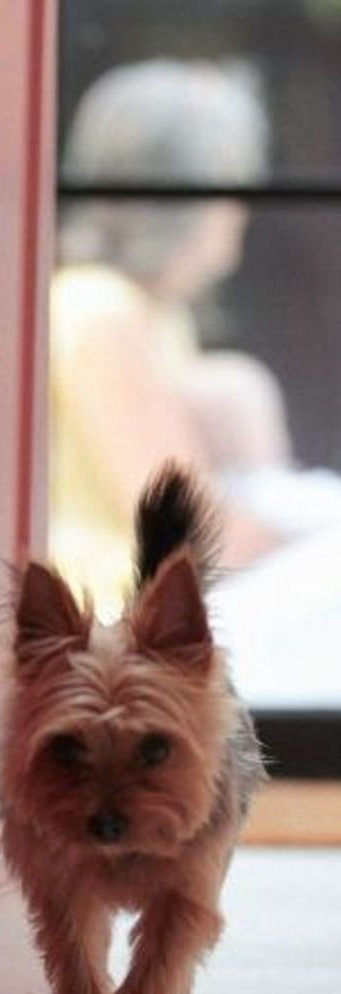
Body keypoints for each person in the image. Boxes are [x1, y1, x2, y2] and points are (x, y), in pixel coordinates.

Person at [51, 59, 341, 628]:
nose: (241, 214)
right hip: (116, 626)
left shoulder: (156, 315)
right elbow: (188, 534)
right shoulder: (103, 310)